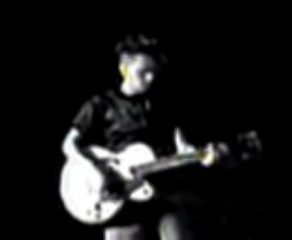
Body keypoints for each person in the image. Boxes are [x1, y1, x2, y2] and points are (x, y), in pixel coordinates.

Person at [61, 34, 220, 240]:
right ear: (124, 69)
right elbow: (69, 145)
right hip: (122, 195)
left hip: (164, 193)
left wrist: (198, 156)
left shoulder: (163, 104)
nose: (150, 78)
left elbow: (182, 147)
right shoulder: (101, 104)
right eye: (143, 72)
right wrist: (94, 168)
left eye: (153, 72)